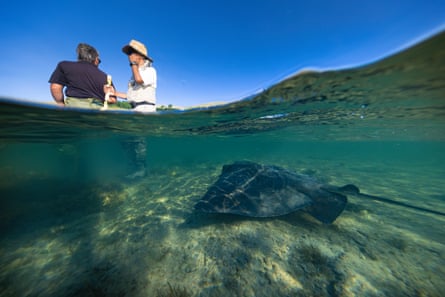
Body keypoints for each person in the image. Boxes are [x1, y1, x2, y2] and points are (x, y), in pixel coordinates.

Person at [48, 43, 116, 109]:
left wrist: (61, 104)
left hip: (73, 107)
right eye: (99, 60)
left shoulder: (64, 65)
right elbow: (113, 100)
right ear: (95, 59)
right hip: (97, 110)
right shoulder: (106, 77)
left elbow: (55, 87)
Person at [113, 39, 157, 113]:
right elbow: (130, 95)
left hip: (146, 109)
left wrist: (133, 63)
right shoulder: (135, 73)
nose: (130, 55)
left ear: (141, 56)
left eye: (132, 52)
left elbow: (139, 80)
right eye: (129, 53)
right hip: (134, 109)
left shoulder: (150, 70)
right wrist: (114, 93)